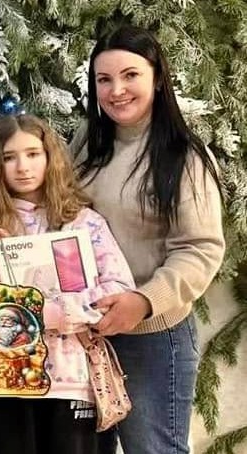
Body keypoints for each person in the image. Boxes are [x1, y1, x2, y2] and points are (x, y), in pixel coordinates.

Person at [71, 25, 225, 454]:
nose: (116, 90)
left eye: (130, 75)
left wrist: (143, 301)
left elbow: (200, 249)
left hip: (152, 338)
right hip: (86, 331)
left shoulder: (184, 157)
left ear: (157, 78)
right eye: (104, 79)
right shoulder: (86, 141)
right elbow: (55, 209)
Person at [0, 114, 137, 454]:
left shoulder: (84, 222)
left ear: (50, 157)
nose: (23, 167)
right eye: (9, 157)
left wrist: (54, 313)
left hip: (68, 382)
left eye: (33, 154)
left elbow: (118, 289)